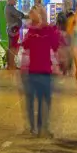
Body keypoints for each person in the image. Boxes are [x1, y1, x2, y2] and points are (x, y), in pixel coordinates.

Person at [20, 7, 60, 137]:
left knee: (44, 100)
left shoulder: (48, 30)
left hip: (44, 70)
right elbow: (25, 45)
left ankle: (42, 127)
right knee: (33, 100)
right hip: (33, 70)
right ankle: (36, 128)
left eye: (37, 13)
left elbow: (55, 45)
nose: (34, 16)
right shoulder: (31, 31)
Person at [5, 0, 25, 70]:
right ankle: (11, 65)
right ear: (10, 0)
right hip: (13, 29)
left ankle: (11, 64)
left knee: (12, 46)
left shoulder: (9, 7)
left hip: (13, 29)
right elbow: (18, 14)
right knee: (12, 47)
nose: (16, 1)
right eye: (15, 0)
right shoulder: (10, 7)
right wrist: (23, 15)